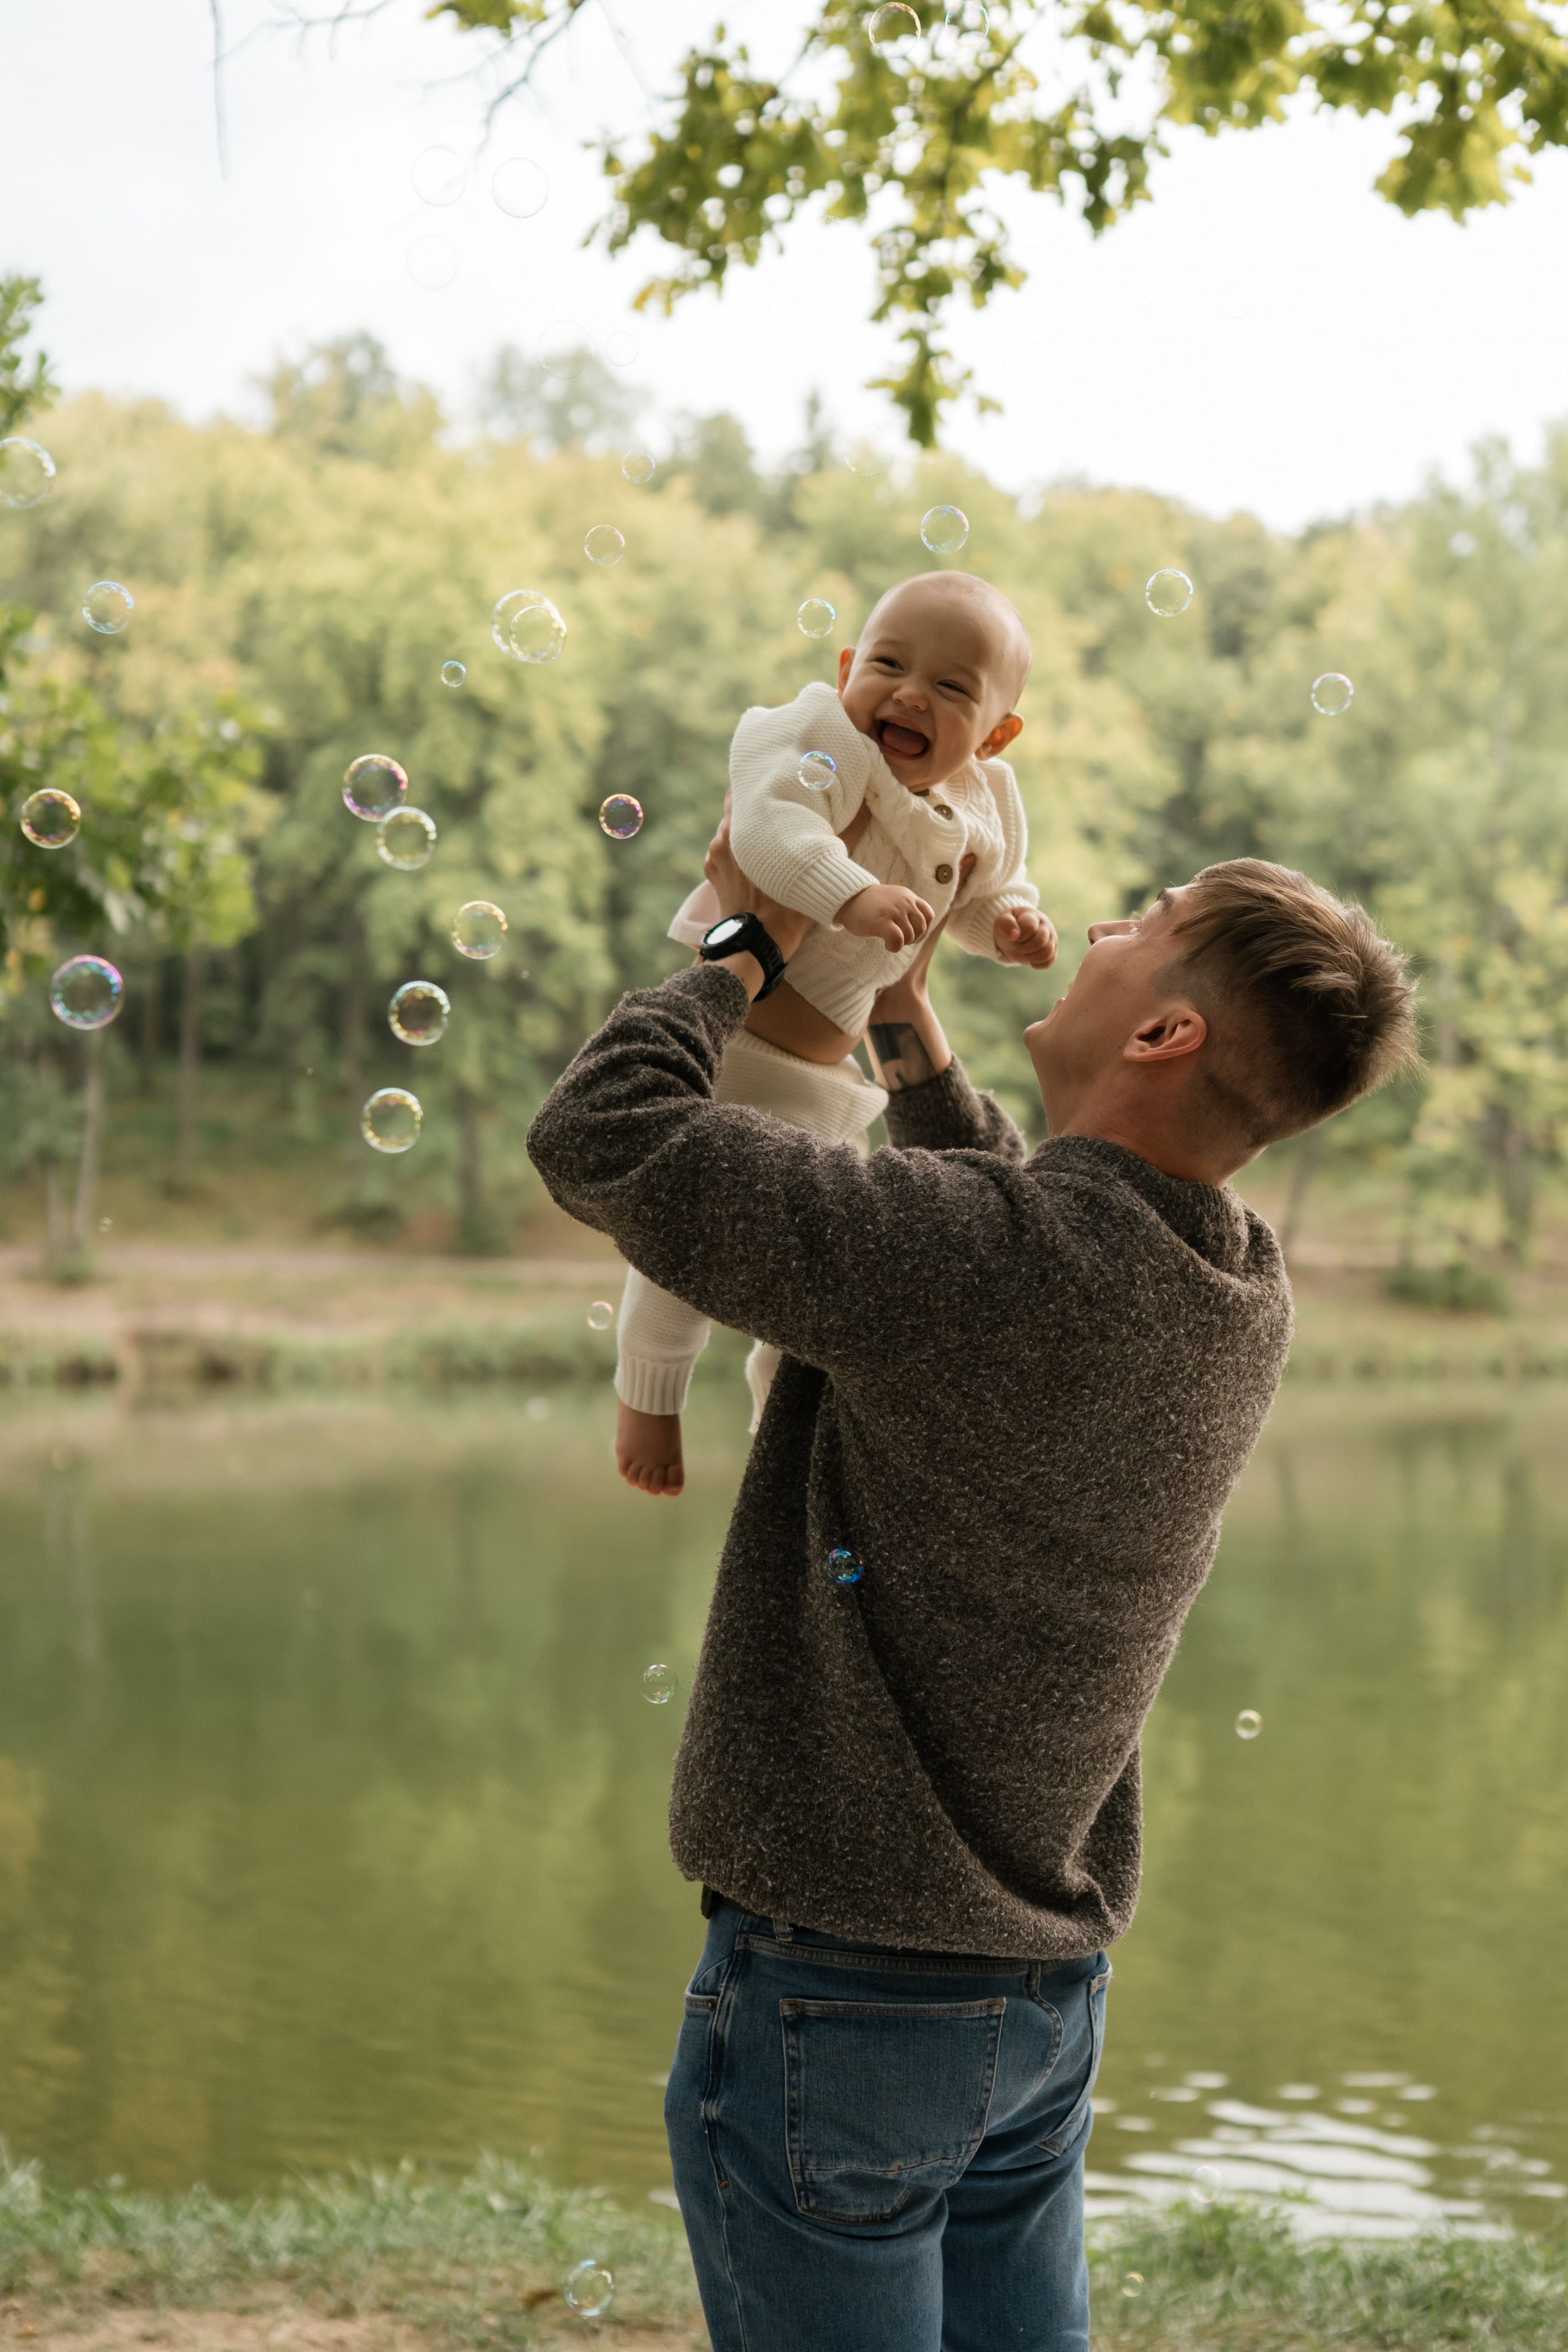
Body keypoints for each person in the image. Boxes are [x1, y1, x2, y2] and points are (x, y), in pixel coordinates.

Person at [527, 839, 1417, 2352]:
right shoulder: (1238, 1288)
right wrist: (903, 1024)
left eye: (1156, 925)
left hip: (839, 1996)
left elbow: (601, 1131)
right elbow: (1031, 1224)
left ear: (1163, 1031)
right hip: (1031, 2004)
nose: (1112, 924)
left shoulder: (978, 1269)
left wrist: (750, 944)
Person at [614, 570, 1058, 1499]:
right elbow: (769, 835)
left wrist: (1009, 928)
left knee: (826, 1275)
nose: (908, 694)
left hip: (829, 1070)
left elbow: (977, 895)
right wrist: (850, 895)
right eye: (889, 664)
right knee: (687, 1235)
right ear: (849, 665)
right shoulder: (817, 738)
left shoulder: (985, 801)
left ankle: (787, 1422)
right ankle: (648, 1392)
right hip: (737, 1038)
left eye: (951, 687)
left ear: (996, 733)